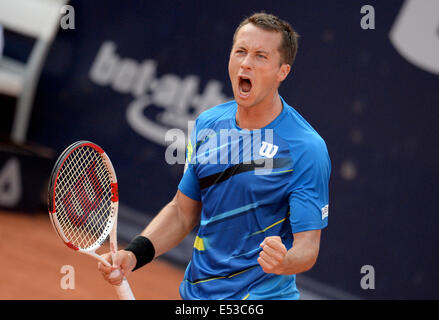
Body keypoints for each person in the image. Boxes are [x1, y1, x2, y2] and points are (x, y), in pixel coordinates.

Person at [98, 12, 331, 300]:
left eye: (260, 56)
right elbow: (183, 212)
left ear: (282, 72)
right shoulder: (208, 124)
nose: (246, 63)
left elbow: (308, 246)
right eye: (241, 51)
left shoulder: (305, 148)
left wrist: (285, 261)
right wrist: (134, 254)